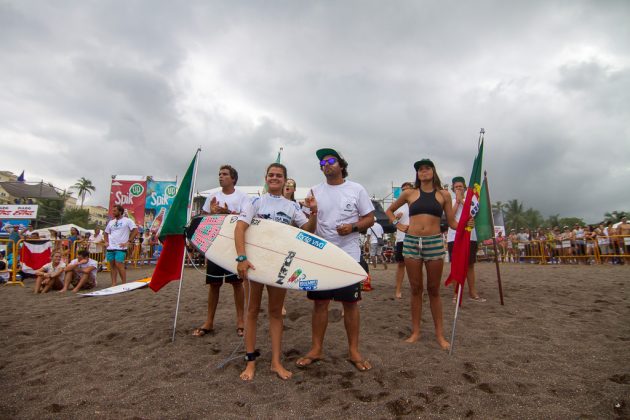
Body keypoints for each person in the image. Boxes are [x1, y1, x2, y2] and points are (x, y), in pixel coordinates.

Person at [235, 163, 318, 381]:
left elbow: (307, 230)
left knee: (274, 313)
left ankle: (276, 363)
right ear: (265, 178)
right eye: (271, 175)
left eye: (279, 176)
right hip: (254, 264)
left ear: (284, 180)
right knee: (252, 311)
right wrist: (241, 258)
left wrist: (315, 212)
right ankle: (250, 362)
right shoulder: (255, 201)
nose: (274, 178)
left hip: (279, 265)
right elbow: (239, 228)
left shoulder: (291, 207)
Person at [296, 148, 375, 372]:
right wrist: (311, 213)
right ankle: (316, 349)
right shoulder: (315, 190)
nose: (326, 164)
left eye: (331, 160)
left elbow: (370, 218)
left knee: (351, 304)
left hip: (348, 253)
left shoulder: (356, 189)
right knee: (320, 303)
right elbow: (308, 226)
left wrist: (353, 227)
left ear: (341, 164)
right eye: (322, 162)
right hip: (321, 253)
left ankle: (354, 351)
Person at [385, 159, 466, 350]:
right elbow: (389, 210)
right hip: (412, 242)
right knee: (415, 289)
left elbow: (452, 223)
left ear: (433, 171)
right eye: (420, 169)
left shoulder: (443, 194)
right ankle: (415, 332)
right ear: (417, 174)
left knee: (434, 289)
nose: (423, 172)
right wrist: (397, 224)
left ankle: (439, 334)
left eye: (427, 168)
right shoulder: (409, 193)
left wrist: (465, 225)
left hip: (434, 242)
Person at [193, 165, 250, 338]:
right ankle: (209, 321)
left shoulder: (242, 197)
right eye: (219, 174)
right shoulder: (212, 197)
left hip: (234, 245)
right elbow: (201, 220)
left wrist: (227, 212)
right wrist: (212, 214)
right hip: (216, 245)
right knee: (214, 284)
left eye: (225, 174)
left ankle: (241, 321)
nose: (221, 176)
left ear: (233, 178)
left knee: (236, 284)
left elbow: (247, 217)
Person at [446, 176, 485, 302]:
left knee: (470, 265)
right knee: (456, 265)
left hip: (470, 235)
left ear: (464, 188)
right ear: (452, 188)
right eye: (456, 187)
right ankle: (456, 293)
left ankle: (472, 291)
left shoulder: (472, 201)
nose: (458, 189)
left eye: (460, 187)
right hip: (454, 236)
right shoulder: (450, 201)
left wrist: (462, 201)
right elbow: (450, 216)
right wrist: (457, 202)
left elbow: (474, 214)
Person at [104, 204, 138, 286]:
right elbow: (106, 232)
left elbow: (135, 230)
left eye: (115, 211)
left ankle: (123, 283)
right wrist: (106, 241)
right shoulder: (111, 222)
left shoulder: (127, 220)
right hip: (111, 247)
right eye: (113, 210)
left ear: (120, 211)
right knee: (112, 266)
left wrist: (129, 241)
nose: (113, 212)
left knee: (119, 264)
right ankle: (114, 283)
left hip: (121, 247)